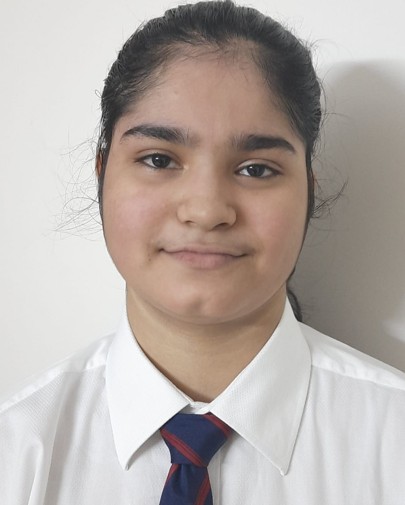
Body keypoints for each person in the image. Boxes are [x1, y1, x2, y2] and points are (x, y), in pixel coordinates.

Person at [1, 1, 405, 503]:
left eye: (256, 169)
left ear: (309, 190)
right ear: (102, 173)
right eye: (158, 159)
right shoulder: (17, 450)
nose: (207, 210)